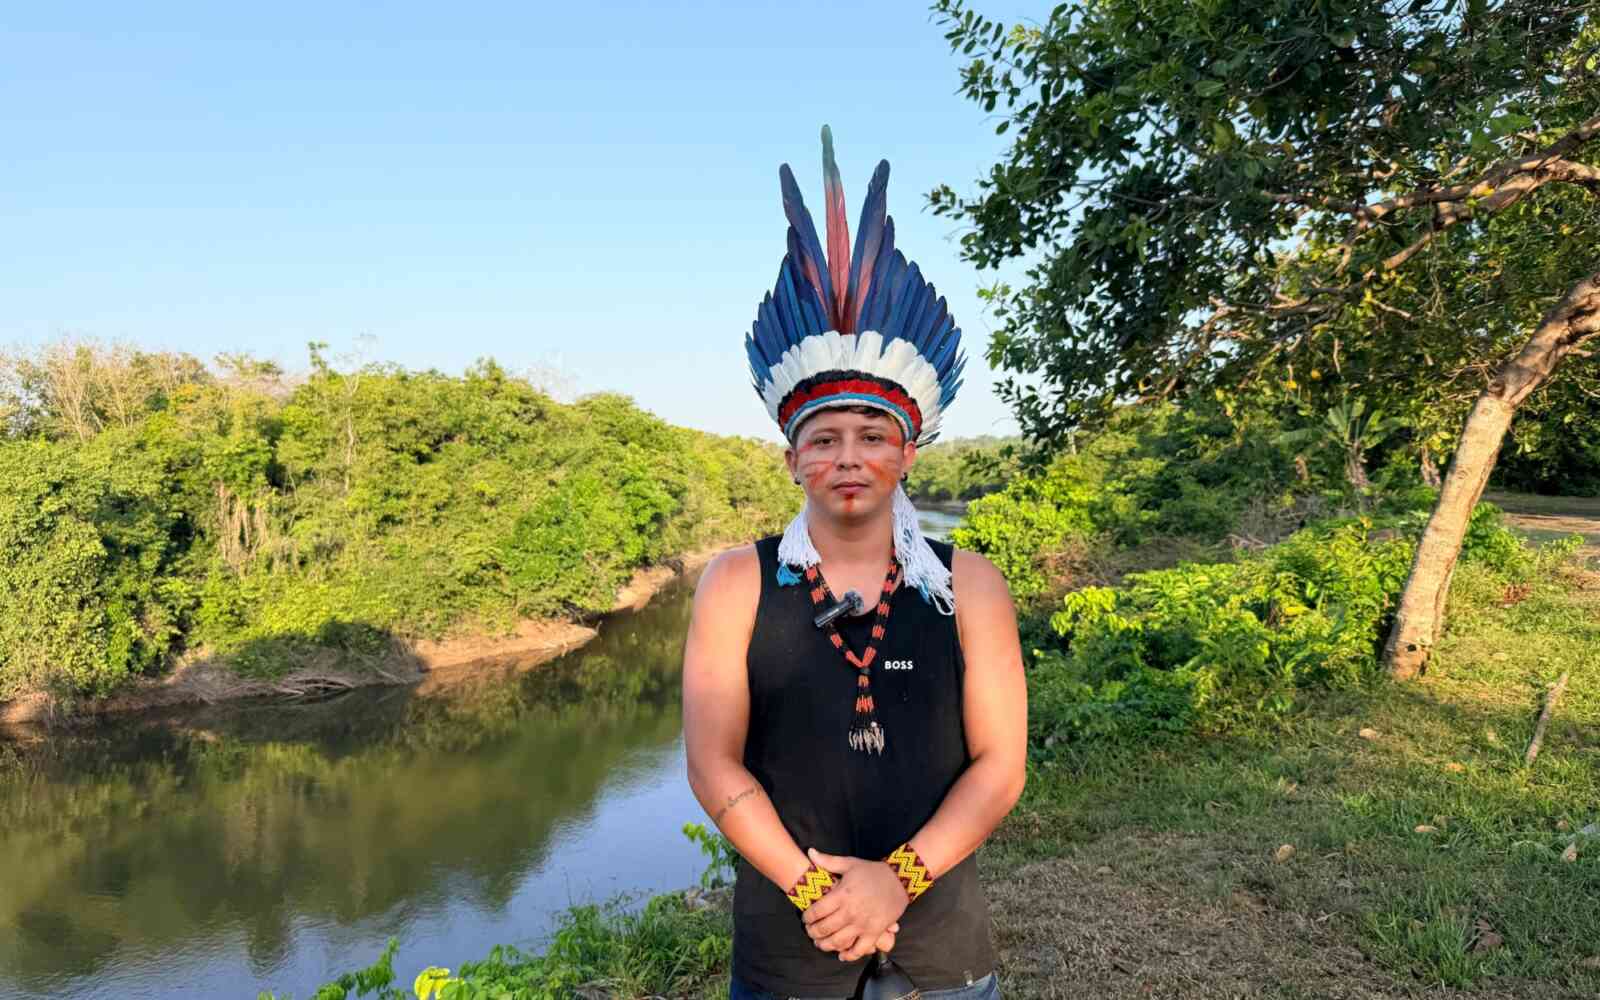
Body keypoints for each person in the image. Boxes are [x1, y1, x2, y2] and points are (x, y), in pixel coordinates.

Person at [683, 127, 1028, 1000]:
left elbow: (1000, 765)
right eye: (823, 438)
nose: (848, 457)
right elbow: (712, 763)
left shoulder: (971, 585)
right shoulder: (735, 583)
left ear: (906, 454)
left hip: (941, 944)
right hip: (791, 945)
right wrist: (817, 891)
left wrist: (896, 879)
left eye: (873, 435)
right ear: (791, 459)